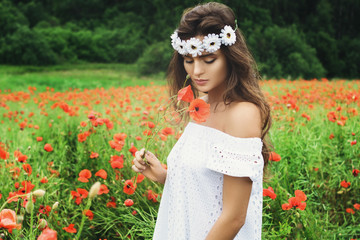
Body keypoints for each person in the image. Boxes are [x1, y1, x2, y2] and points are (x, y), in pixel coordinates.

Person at [132, 2, 271, 239]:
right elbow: (205, 192)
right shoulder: (201, 107)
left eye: (208, 59)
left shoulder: (243, 113)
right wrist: (164, 176)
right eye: (189, 60)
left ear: (230, 57)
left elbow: (234, 217)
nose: (196, 71)